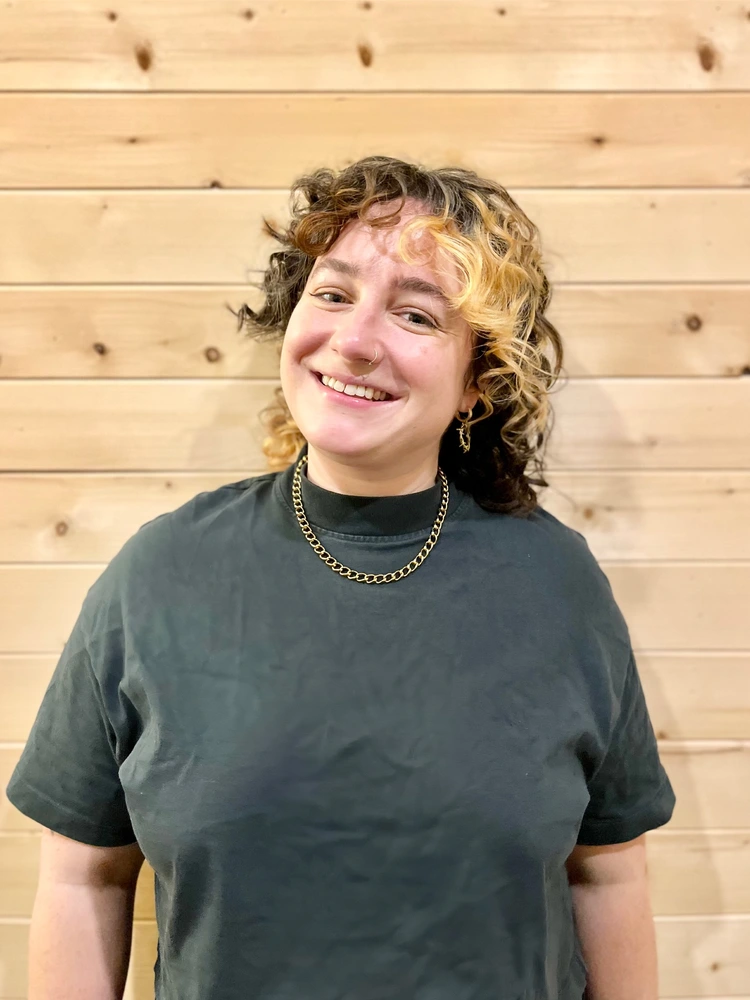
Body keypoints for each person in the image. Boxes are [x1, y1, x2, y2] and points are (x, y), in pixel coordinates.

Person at [6, 155, 676, 1000]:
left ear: (479, 380)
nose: (355, 340)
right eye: (332, 294)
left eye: (417, 314)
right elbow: (83, 879)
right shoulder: (160, 576)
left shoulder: (557, 586)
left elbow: (607, 875)